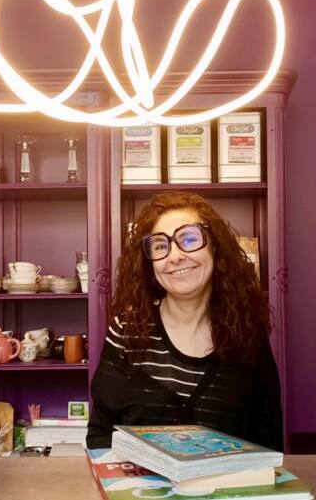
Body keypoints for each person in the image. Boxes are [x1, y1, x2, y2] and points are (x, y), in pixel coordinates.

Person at [86, 192, 283, 451]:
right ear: (149, 264)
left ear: (215, 247)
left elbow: (267, 441)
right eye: (160, 246)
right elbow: (101, 436)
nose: (175, 256)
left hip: (226, 490)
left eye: (189, 239)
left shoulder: (246, 333)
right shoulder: (125, 332)